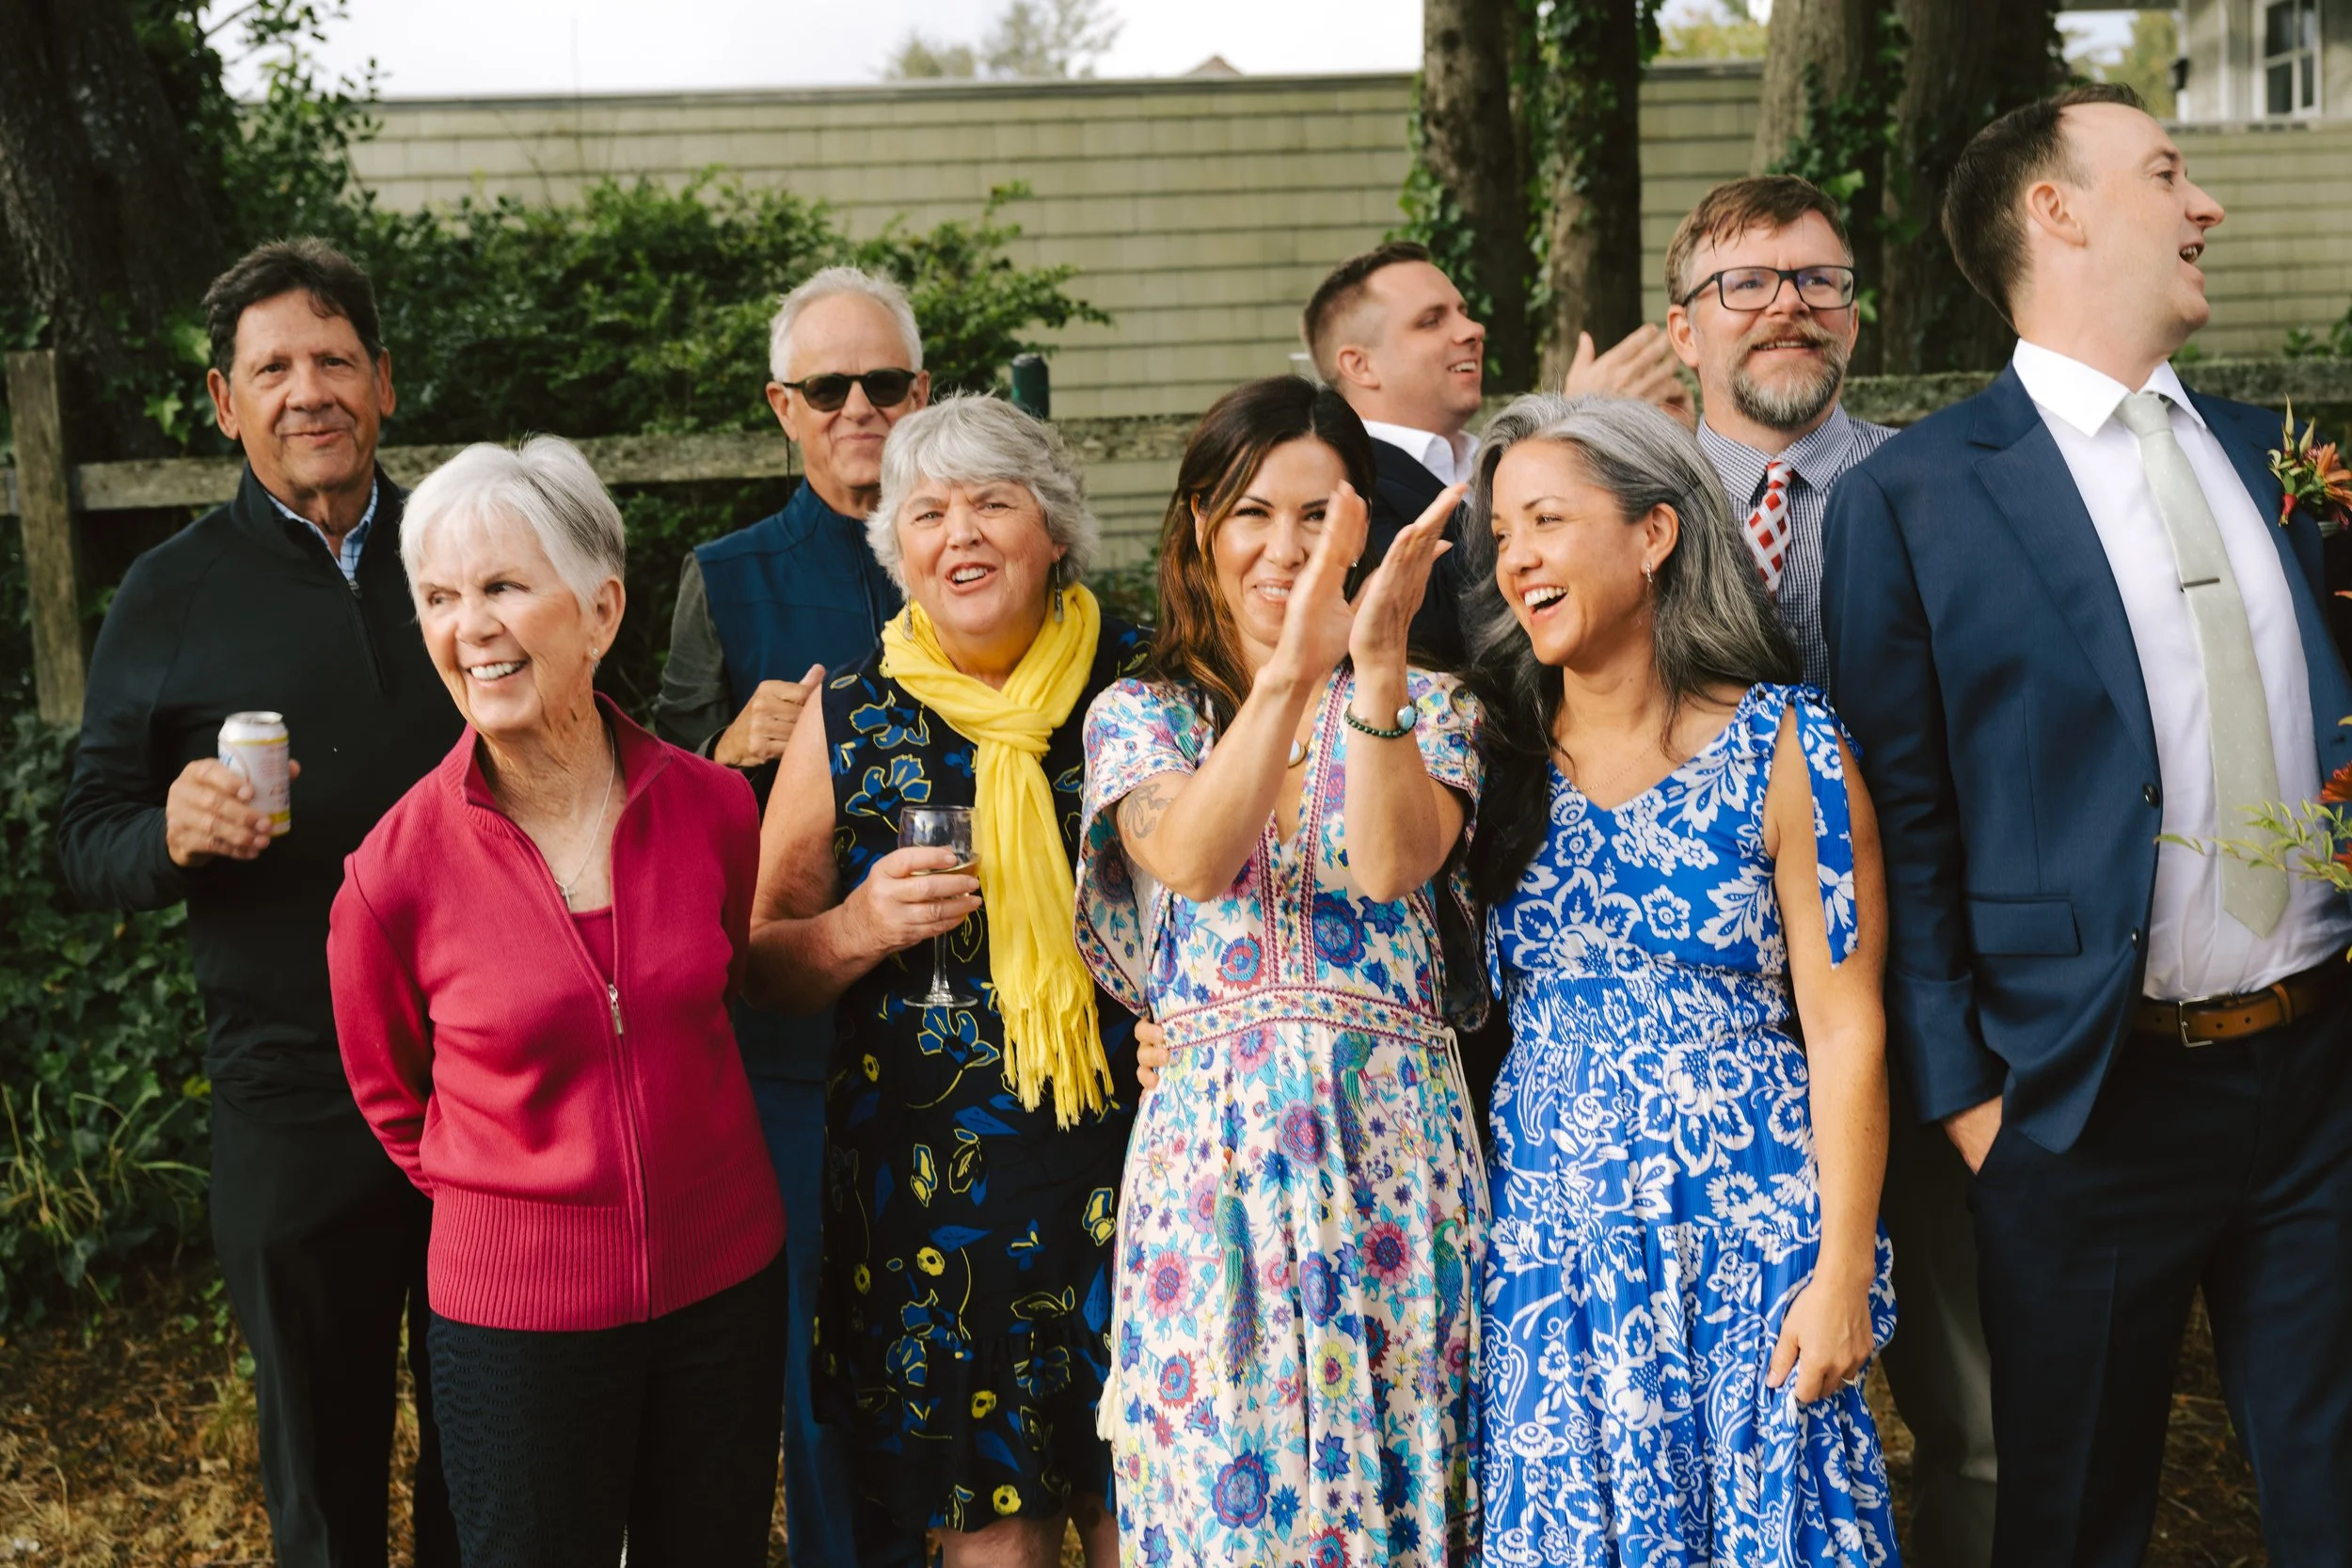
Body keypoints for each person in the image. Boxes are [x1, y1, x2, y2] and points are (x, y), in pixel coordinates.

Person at [1823, 85, 2352, 1566]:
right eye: (2168, 173)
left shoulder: (2279, 456)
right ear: (2052, 211)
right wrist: (1971, 1105)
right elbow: (1900, 820)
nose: (2207, 205)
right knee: (2069, 1517)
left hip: (2320, 1074)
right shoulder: (1917, 496)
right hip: (2083, 1098)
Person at [56, 238, 459, 1568]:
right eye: (272, 367)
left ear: (384, 381)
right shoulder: (171, 591)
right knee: (323, 1485)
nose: (308, 391)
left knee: (493, 1455)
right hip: (292, 1088)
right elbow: (83, 840)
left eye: (333, 359)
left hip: (487, 1081)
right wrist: (167, 834)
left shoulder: (467, 546)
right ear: (225, 403)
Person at [328, 436, 788, 1567]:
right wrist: (525, 1213)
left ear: (601, 610)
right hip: (514, 1325)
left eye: (502, 586)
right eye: (440, 598)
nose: (469, 626)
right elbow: (392, 1098)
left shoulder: (716, 808)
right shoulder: (392, 873)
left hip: (725, 1289)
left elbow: (721, 987)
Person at [1463, 392, 1898, 1564]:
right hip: (1555, 1247)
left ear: (1653, 533)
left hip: (1750, 1234)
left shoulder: (1786, 745)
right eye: (1501, 533)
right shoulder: (1491, 754)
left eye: (1547, 519)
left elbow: (1846, 1025)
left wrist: (1842, 1266)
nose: (1516, 558)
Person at [1075, 375, 1487, 1566]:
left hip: (1392, 1158)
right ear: (1201, 528)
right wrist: (1287, 674)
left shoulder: (1434, 704)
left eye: (1320, 516)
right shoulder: (1141, 714)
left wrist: (1370, 670)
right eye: (1253, 512)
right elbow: (1197, 857)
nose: (1287, 546)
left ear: (1363, 534)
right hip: (1216, 1177)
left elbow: (1391, 862)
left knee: (1407, 1496)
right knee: (1223, 1500)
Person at [746, 395, 1147, 1568]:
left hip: (1138, 1162)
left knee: (1146, 1517)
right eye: (926, 512)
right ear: (898, 548)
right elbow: (761, 958)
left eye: (991, 503)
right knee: (991, 1537)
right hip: (936, 1201)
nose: (958, 533)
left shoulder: (1144, 686)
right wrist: (858, 926)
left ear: (1053, 531)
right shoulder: (849, 712)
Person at [1666, 176, 1994, 1567]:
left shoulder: (1954, 488)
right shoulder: (1616, 498)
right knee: (1702, 1420)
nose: (1789, 304)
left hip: (1922, 1009)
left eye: (1820, 279)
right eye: (1746, 282)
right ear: (1682, 328)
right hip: (1698, 1040)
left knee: (1980, 1415)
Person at [652, 264, 930, 1568]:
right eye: (828, 387)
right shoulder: (727, 577)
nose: (858, 407)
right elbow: (649, 809)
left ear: (923, 392)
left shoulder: (985, 551)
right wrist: (728, 749)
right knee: (822, 1368)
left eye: (885, 382)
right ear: (783, 406)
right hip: (791, 1048)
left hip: (970, 1033)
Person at [1300, 239, 1696, 666]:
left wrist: (1668, 448)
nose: (1473, 330)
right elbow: (1433, 613)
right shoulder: (1340, 482)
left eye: (1464, 312)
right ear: (1359, 365)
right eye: (1431, 321)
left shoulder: (1491, 454)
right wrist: (1572, 431)